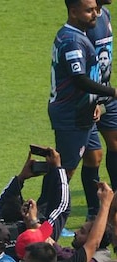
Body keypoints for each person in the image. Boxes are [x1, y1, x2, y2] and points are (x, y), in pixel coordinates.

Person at [49, 0, 116, 181]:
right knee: (66, 168)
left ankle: (99, 207)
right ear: (75, 12)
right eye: (89, 10)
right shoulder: (77, 34)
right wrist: (108, 94)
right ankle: (46, 206)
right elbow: (79, 76)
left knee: (97, 154)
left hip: (95, 97)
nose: (93, 14)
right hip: (77, 106)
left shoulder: (103, 16)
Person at [82, 0, 117, 218]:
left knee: (116, 145)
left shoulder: (105, 15)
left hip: (107, 94)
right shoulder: (87, 22)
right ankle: (94, 212)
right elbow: (83, 65)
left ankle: (115, 203)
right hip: (89, 100)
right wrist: (92, 100)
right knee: (93, 157)